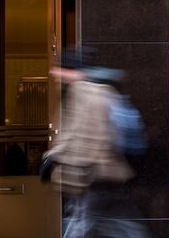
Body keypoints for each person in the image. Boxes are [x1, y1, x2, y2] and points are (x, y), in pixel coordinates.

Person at [42, 51, 149, 238]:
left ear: (71, 70)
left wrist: (60, 160)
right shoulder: (101, 90)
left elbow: (87, 134)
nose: (54, 73)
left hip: (92, 174)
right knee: (113, 224)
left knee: (82, 225)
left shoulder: (83, 92)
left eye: (59, 68)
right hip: (104, 173)